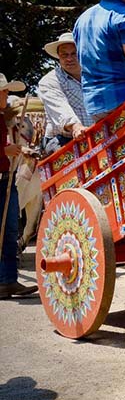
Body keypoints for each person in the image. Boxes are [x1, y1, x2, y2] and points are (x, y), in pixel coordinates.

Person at [0, 74, 37, 299]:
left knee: (11, 230)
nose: (6, 95)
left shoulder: (3, 120)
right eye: (3, 91)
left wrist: (18, 150)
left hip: (6, 179)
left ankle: (9, 281)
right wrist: (4, 152)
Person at [38, 32, 94, 153]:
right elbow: (60, 107)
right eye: (64, 55)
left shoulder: (94, 75)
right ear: (58, 56)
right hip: (63, 139)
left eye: (74, 54)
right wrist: (75, 126)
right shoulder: (49, 81)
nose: (69, 59)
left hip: (94, 133)